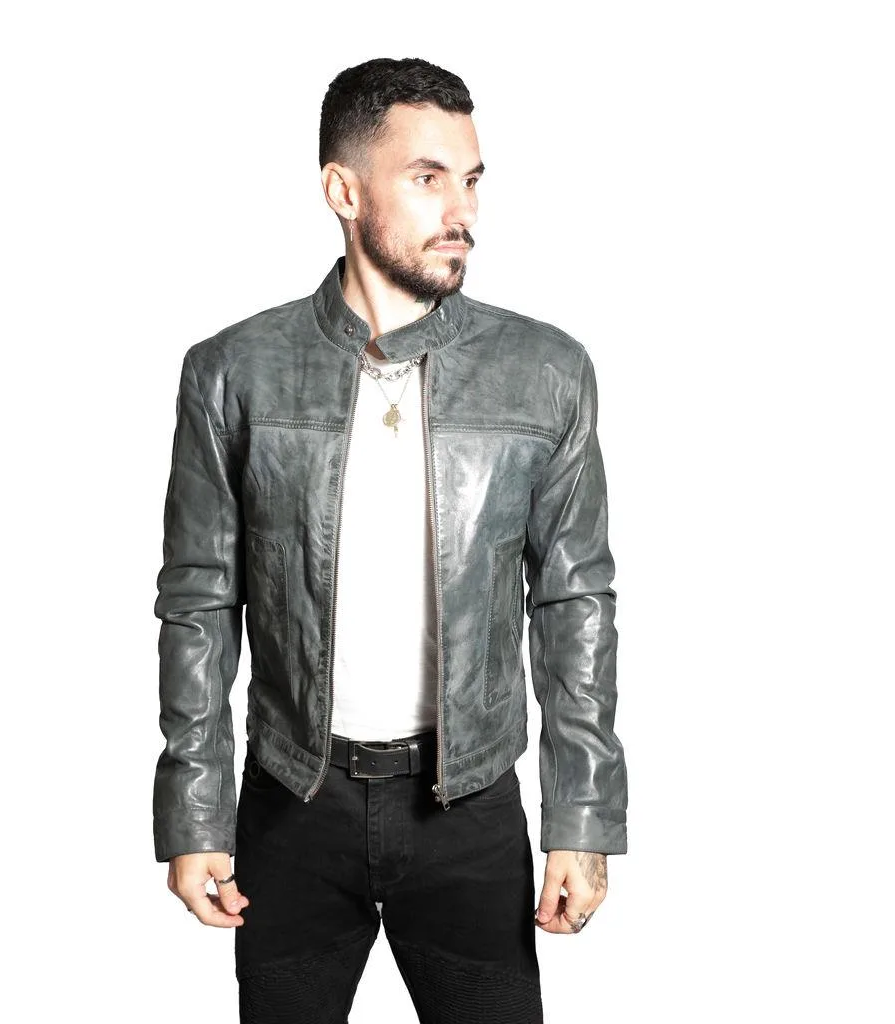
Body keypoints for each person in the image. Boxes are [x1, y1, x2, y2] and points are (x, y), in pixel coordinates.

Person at [152, 56, 628, 1023]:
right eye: (427, 177)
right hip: (292, 800)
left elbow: (574, 601)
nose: (462, 210)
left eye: (472, 179)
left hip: (471, 808)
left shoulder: (546, 371)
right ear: (343, 191)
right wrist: (193, 807)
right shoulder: (232, 372)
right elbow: (199, 599)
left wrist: (582, 815)